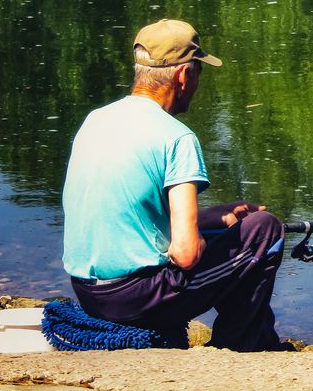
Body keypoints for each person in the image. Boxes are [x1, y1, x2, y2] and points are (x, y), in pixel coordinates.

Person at [62, 18, 286, 351]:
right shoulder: (177, 138)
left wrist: (214, 219)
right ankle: (237, 349)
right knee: (265, 231)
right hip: (134, 300)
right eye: (199, 72)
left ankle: (259, 340)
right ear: (184, 75)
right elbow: (184, 254)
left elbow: (129, 214)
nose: (198, 82)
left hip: (87, 292)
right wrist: (213, 239)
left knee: (240, 231)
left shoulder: (97, 119)